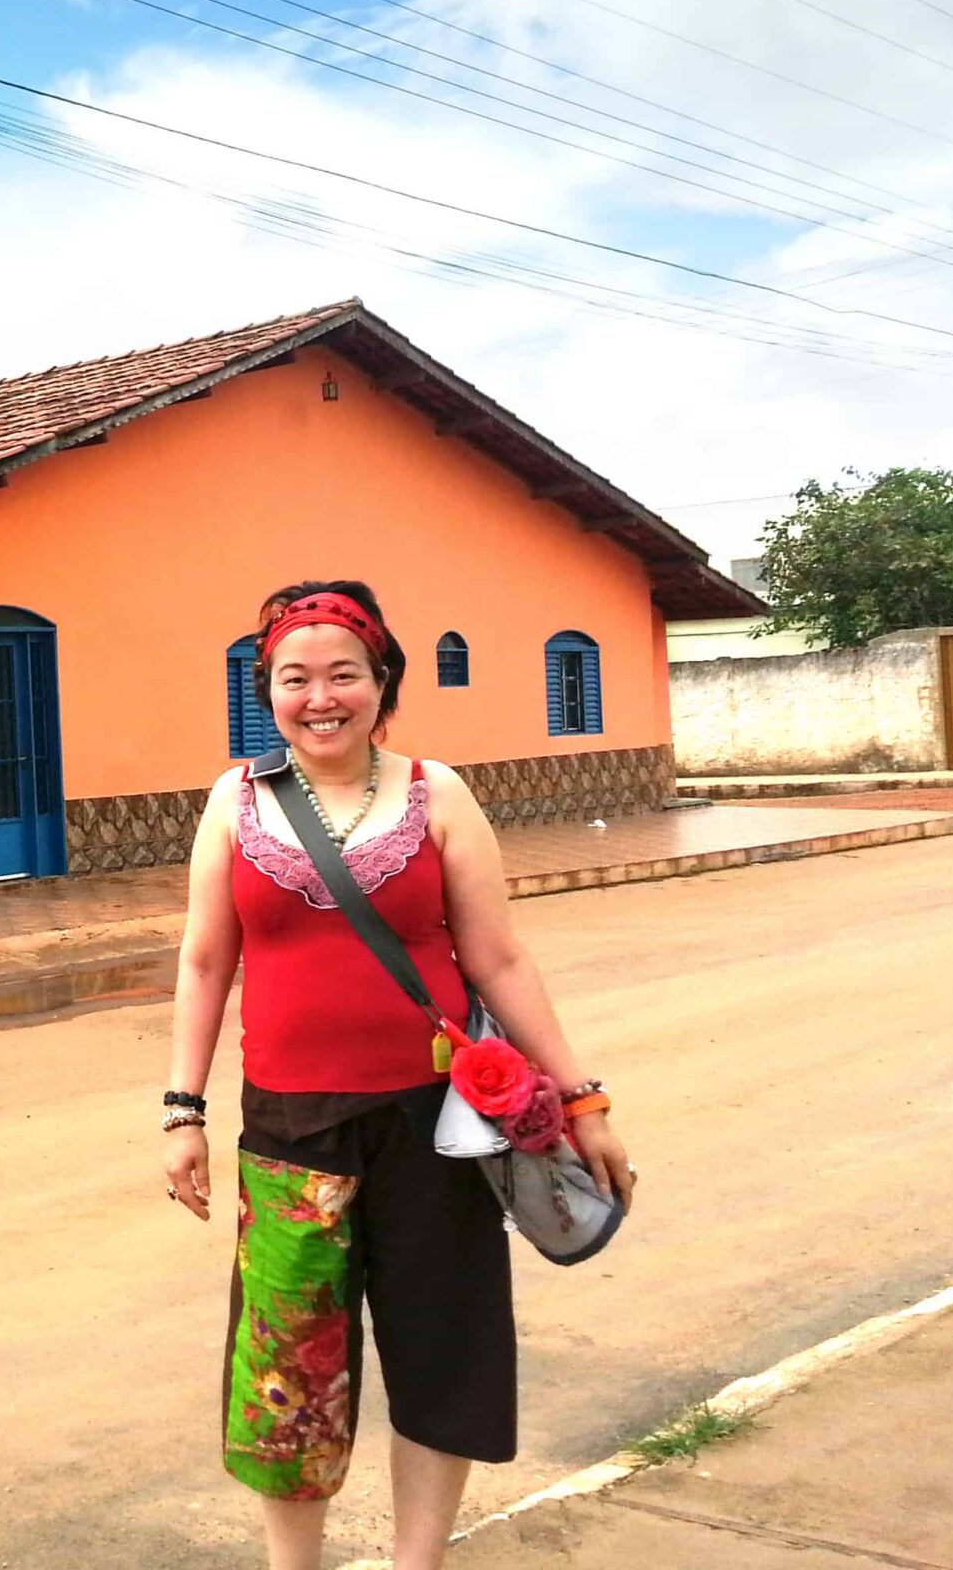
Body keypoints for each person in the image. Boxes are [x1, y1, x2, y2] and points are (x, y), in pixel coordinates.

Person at [161, 581, 635, 1570]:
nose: (319, 698)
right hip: (290, 1131)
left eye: (343, 674)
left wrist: (581, 1097)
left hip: (437, 1124)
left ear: (382, 683)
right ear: (268, 691)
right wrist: (182, 1110)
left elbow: (498, 959)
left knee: (440, 1349)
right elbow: (205, 962)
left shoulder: (437, 793)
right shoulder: (233, 801)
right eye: (294, 678)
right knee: (290, 1368)